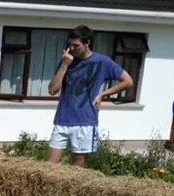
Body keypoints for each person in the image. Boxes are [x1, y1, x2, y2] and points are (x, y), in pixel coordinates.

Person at [46, 25, 133, 167]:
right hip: (62, 120)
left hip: (85, 121)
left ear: (87, 43)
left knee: (78, 164)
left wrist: (103, 94)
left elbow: (128, 81)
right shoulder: (66, 61)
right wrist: (64, 65)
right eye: (69, 45)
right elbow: (52, 90)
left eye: (76, 45)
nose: (71, 49)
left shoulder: (102, 62)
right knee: (49, 165)